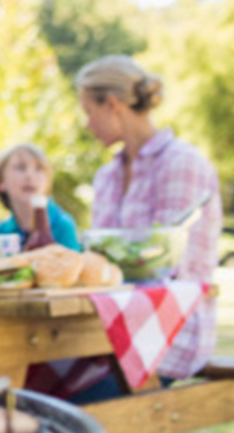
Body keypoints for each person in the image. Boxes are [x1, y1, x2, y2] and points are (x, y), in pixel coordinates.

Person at [76, 55, 223, 384]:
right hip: (108, 330)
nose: (87, 124)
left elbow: (168, 264)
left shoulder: (181, 163)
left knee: (44, 404)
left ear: (112, 104)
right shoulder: (107, 176)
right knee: (24, 384)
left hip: (168, 333)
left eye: (89, 112)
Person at [0, 143, 81, 253]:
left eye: (38, 169)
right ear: (1, 182)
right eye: (20, 168)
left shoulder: (63, 226)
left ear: (47, 182)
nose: (30, 175)